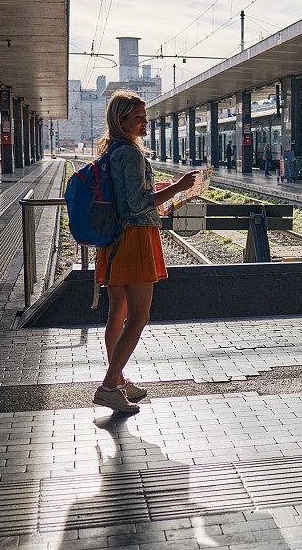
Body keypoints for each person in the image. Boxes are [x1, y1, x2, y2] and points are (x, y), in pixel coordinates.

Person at [92, 90, 198, 414]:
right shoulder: (132, 155)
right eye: (138, 117)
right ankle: (110, 385)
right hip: (135, 238)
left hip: (113, 239)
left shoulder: (110, 150)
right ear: (120, 120)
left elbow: (126, 197)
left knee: (117, 313)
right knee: (139, 317)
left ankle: (118, 380)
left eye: (144, 115)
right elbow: (138, 204)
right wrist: (178, 188)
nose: (144, 121)